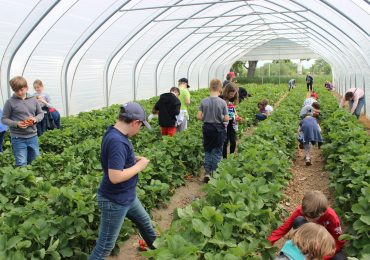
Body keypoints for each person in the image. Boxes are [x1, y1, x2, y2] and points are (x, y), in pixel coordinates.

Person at [89, 102, 156, 259]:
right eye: (141, 126)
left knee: (146, 224)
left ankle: (162, 253)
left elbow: (115, 159)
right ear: (135, 122)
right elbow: (115, 177)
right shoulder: (117, 141)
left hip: (127, 196)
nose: (139, 130)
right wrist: (140, 165)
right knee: (105, 246)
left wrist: (133, 158)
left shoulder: (113, 132)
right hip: (114, 201)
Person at [268, 191, 346, 260]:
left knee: (340, 258)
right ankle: (300, 248)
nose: (308, 220)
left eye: (312, 218)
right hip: (309, 239)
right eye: (306, 216)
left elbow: (339, 241)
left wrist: (323, 257)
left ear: (322, 213)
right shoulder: (304, 210)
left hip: (324, 243)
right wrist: (268, 242)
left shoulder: (331, 217)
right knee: (299, 220)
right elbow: (284, 228)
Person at [1, 76, 44, 166]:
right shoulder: (10, 102)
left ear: (27, 87)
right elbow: (4, 119)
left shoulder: (33, 99)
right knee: (21, 162)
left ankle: (34, 179)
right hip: (18, 138)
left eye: (21, 90)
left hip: (33, 136)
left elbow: (41, 113)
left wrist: (35, 119)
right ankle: (24, 179)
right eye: (17, 91)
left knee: (35, 161)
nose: (20, 93)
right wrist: (16, 124)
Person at [197, 79, 229, 183]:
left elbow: (198, 116)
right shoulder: (222, 102)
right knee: (217, 151)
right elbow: (226, 118)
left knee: (208, 150)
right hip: (218, 129)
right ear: (220, 89)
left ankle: (207, 172)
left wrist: (206, 117)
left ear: (210, 88)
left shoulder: (204, 101)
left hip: (207, 129)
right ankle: (215, 174)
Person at [220, 83, 240, 159]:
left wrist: (236, 116)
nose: (232, 96)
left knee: (233, 141)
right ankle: (224, 159)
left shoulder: (232, 99)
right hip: (223, 124)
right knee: (225, 142)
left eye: (234, 94)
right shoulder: (221, 99)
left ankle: (231, 157)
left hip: (231, 123)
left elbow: (233, 109)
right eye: (231, 94)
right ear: (226, 92)